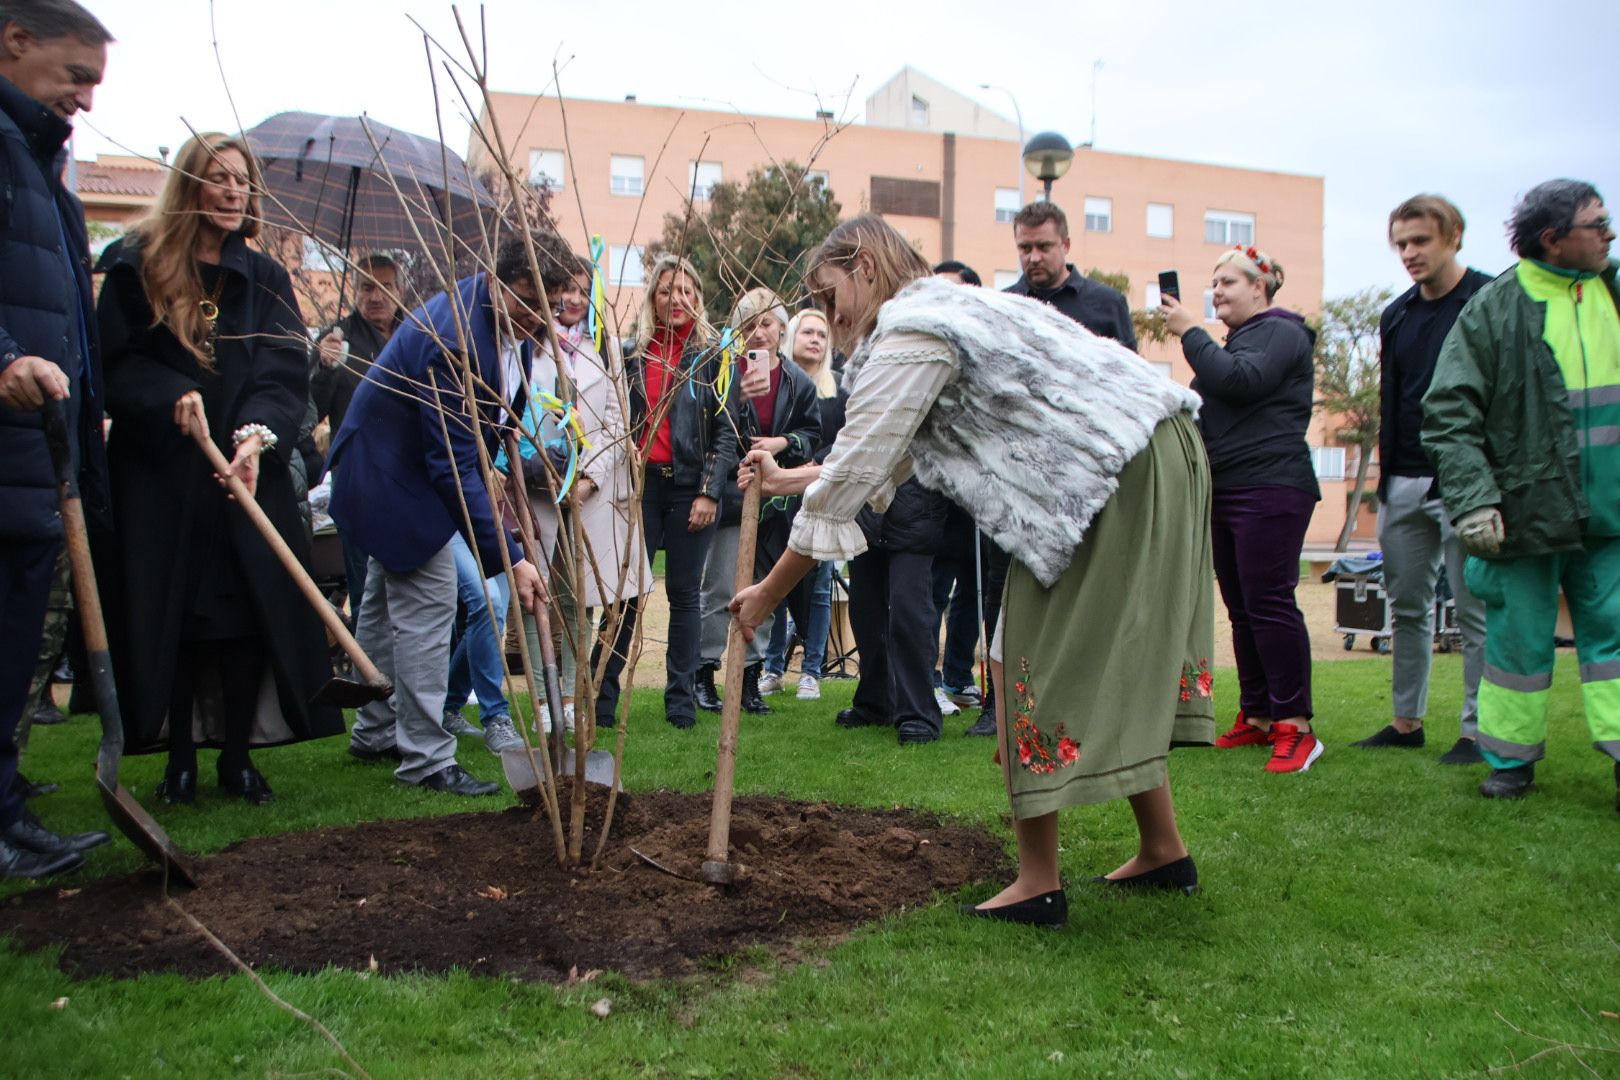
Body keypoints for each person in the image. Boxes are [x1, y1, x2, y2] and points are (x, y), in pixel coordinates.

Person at [733, 214, 1214, 926]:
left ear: (864, 265)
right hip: (1154, 451)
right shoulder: (941, 310)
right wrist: (783, 481)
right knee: (1106, 654)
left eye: (828, 293)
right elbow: (880, 459)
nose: (827, 314)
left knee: (1028, 655)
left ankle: (1038, 882)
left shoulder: (909, 330)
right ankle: (1163, 847)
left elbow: (861, 468)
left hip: (1111, 472)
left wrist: (768, 595)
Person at [97, 132, 345, 805]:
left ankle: (236, 756)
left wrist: (255, 435)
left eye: (242, 180)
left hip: (241, 475)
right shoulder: (137, 264)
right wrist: (166, 397)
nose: (234, 191)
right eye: (219, 178)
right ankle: (178, 757)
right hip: (159, 478)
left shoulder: (264, 278)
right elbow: (115, 362)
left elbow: (281, 368)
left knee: (241, 617)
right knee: (175, 616)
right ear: (190, 185)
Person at [1423, 179, 1620, 807]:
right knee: (1517, 645)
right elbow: (1449, 411)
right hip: (1525, 515)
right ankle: (1509, 763)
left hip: (1612, 515)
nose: (1609, 234)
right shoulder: (1493, 309)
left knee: (1616, 639)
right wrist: (1474, 500)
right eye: (1597, 225)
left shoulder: (1614, 289)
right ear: (1553, 239)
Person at [328, 235, 545, 796]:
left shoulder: (505, 325)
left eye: (544, 304)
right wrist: (510, 558)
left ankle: (375, 730)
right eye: (525, 302)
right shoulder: (453, 338)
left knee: (378, 606)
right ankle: (425, 759)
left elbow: (488, 432)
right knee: (429, 605)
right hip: (391, 481)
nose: (534, 317)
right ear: (500, 283)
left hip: (397, 474)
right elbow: (450, 464)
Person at [0, 0, 114, 877]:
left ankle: (4, 802)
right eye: (75, 75)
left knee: (14, 644)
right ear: (15, 40)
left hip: (40, 455)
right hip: (11, 442)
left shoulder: (39, 164)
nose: (84, 97)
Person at [1161, 245, 1322, 773]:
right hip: (1228, 487)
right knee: (1243, 606)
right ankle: (1257, 715)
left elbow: (1239, 381)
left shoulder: (1282, 330)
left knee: (1269, 601)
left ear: (1262, 285)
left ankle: (1295, 726)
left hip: (1271, 485)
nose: (1217, 291)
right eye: (1215, 282)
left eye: (1229, 281)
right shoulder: (1242, 341)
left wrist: (1190, 330)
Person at [1349, 195, 1491, 764]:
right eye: (1401, 243)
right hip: (1402, 481)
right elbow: (1392, 398)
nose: (1409, 253)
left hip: (1465, 480)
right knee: (1406, 608)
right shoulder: (1397, 313)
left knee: (1474, 608)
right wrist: (1385, 479)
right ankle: (1407, 723)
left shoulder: (1487, 298)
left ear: (1454, 235)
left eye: (1420, 241)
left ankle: (1479, 732)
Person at [505, 235, 651, 735]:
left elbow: (616, 421)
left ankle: (570, 694)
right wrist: (537, 466)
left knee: (580, 597)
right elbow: (511, 412)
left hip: (589, 495)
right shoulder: (526, 346)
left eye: (581, 290)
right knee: (537, 592)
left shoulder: (604, 347)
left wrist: (587, 477)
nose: (572, 298)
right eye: (563, 288)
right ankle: (543, 700)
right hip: (537, 492)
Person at [594, 255, 738, 730]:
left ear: (697, 298)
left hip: (688, 489)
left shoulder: (713, 357)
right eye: (665, 291)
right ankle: (602, 699)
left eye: (685, 291)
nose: (675, 299)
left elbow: (725, 432)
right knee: (624, 596)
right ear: (652, 299)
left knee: (683, 594)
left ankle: (681, 703)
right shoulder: (633, 355)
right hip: (638, 490)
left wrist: (709, 492)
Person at [694, 288, 819, 716]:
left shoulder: (798, 382)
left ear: (781, 328)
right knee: (719, 586)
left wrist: (782, 442)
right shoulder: (725, 374)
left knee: (765, 591)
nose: (758, 331)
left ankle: (749, 679)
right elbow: (715, 433)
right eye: (749, 324)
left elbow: (812, 436)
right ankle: (704, 674)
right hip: (732, 495)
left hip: (776, 501)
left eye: (766, 322)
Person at [309, 252, 405, 615]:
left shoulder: (417, 331)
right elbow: (310, 411)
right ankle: (370, 670)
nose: (377, 296)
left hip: (410, 480)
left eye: (386, 286)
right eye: (367, 287)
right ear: (354, 291)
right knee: (368, 593)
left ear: (401, 291)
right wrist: (325, 368)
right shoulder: (336, 338)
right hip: (358, 480)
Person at [759, 307, 843, 700]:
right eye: (807, 331)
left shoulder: (838, 389)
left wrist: (818, 463)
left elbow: (845, 439)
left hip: (823, 493)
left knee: (820, 584)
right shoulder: (779, 384)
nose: (814, 339)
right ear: (791, 336)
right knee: (776, 578)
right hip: (779, 497)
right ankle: (772, 667)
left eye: (821, 335)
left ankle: (812, 670)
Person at [1004, 202, 1137, 350]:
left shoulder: (1109, 304)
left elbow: (1130, 371)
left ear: (1066, 245)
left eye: (1044, 247)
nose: (1034, 258)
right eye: (1025, 248)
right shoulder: (1003, 306)